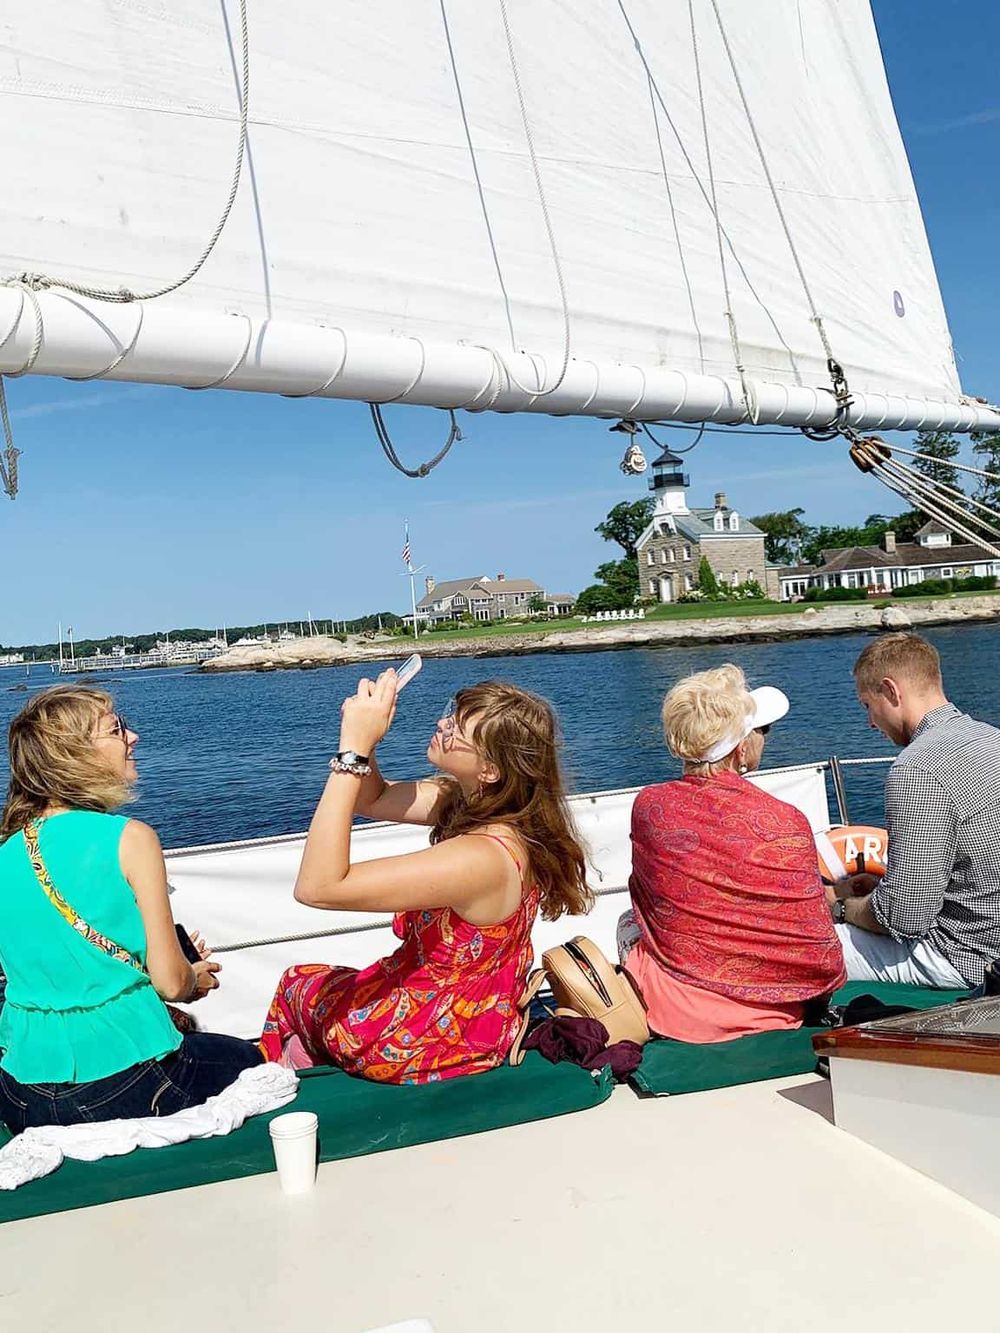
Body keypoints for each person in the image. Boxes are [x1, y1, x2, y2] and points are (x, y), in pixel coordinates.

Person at [260, 674, 592, 1082]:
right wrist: (369, 735)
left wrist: (353, 749)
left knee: (297, 984)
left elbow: (318, 887)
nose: (442, 725)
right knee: (318, 981)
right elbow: (373, 798)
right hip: (472, 1016)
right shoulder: (470, 802)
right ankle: (305, 1054)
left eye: (457, 728)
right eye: (451, 714)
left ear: (489, 768)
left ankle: (285, 1078)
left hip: (428, 1035)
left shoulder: (481, 857)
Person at [0, 685, 262, 1135]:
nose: (133, 737)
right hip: (125, 1080)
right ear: (76, 754)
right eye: (116, 728)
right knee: (254, 1064)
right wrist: (192, 977)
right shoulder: (130, 838)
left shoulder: (7, 853)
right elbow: (171, 983)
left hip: (22, 1092)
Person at [620, 665, 845, 1043]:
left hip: (676, 1011)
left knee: (629, 920)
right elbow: (816, 943)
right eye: (761, 731)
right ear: (742, 746)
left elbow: (647, 896)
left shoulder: (650, 806)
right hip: (777, 1011)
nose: (764, 738)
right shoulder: (787, 821)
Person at [830, 632, 1000, 988]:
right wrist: (882, 889)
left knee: (809, 946)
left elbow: (905, 918)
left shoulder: (916, 768)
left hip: (966, 958)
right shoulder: (990, 738)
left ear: (891, 691)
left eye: (867, 705)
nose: (870, 723)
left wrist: (841, 905)